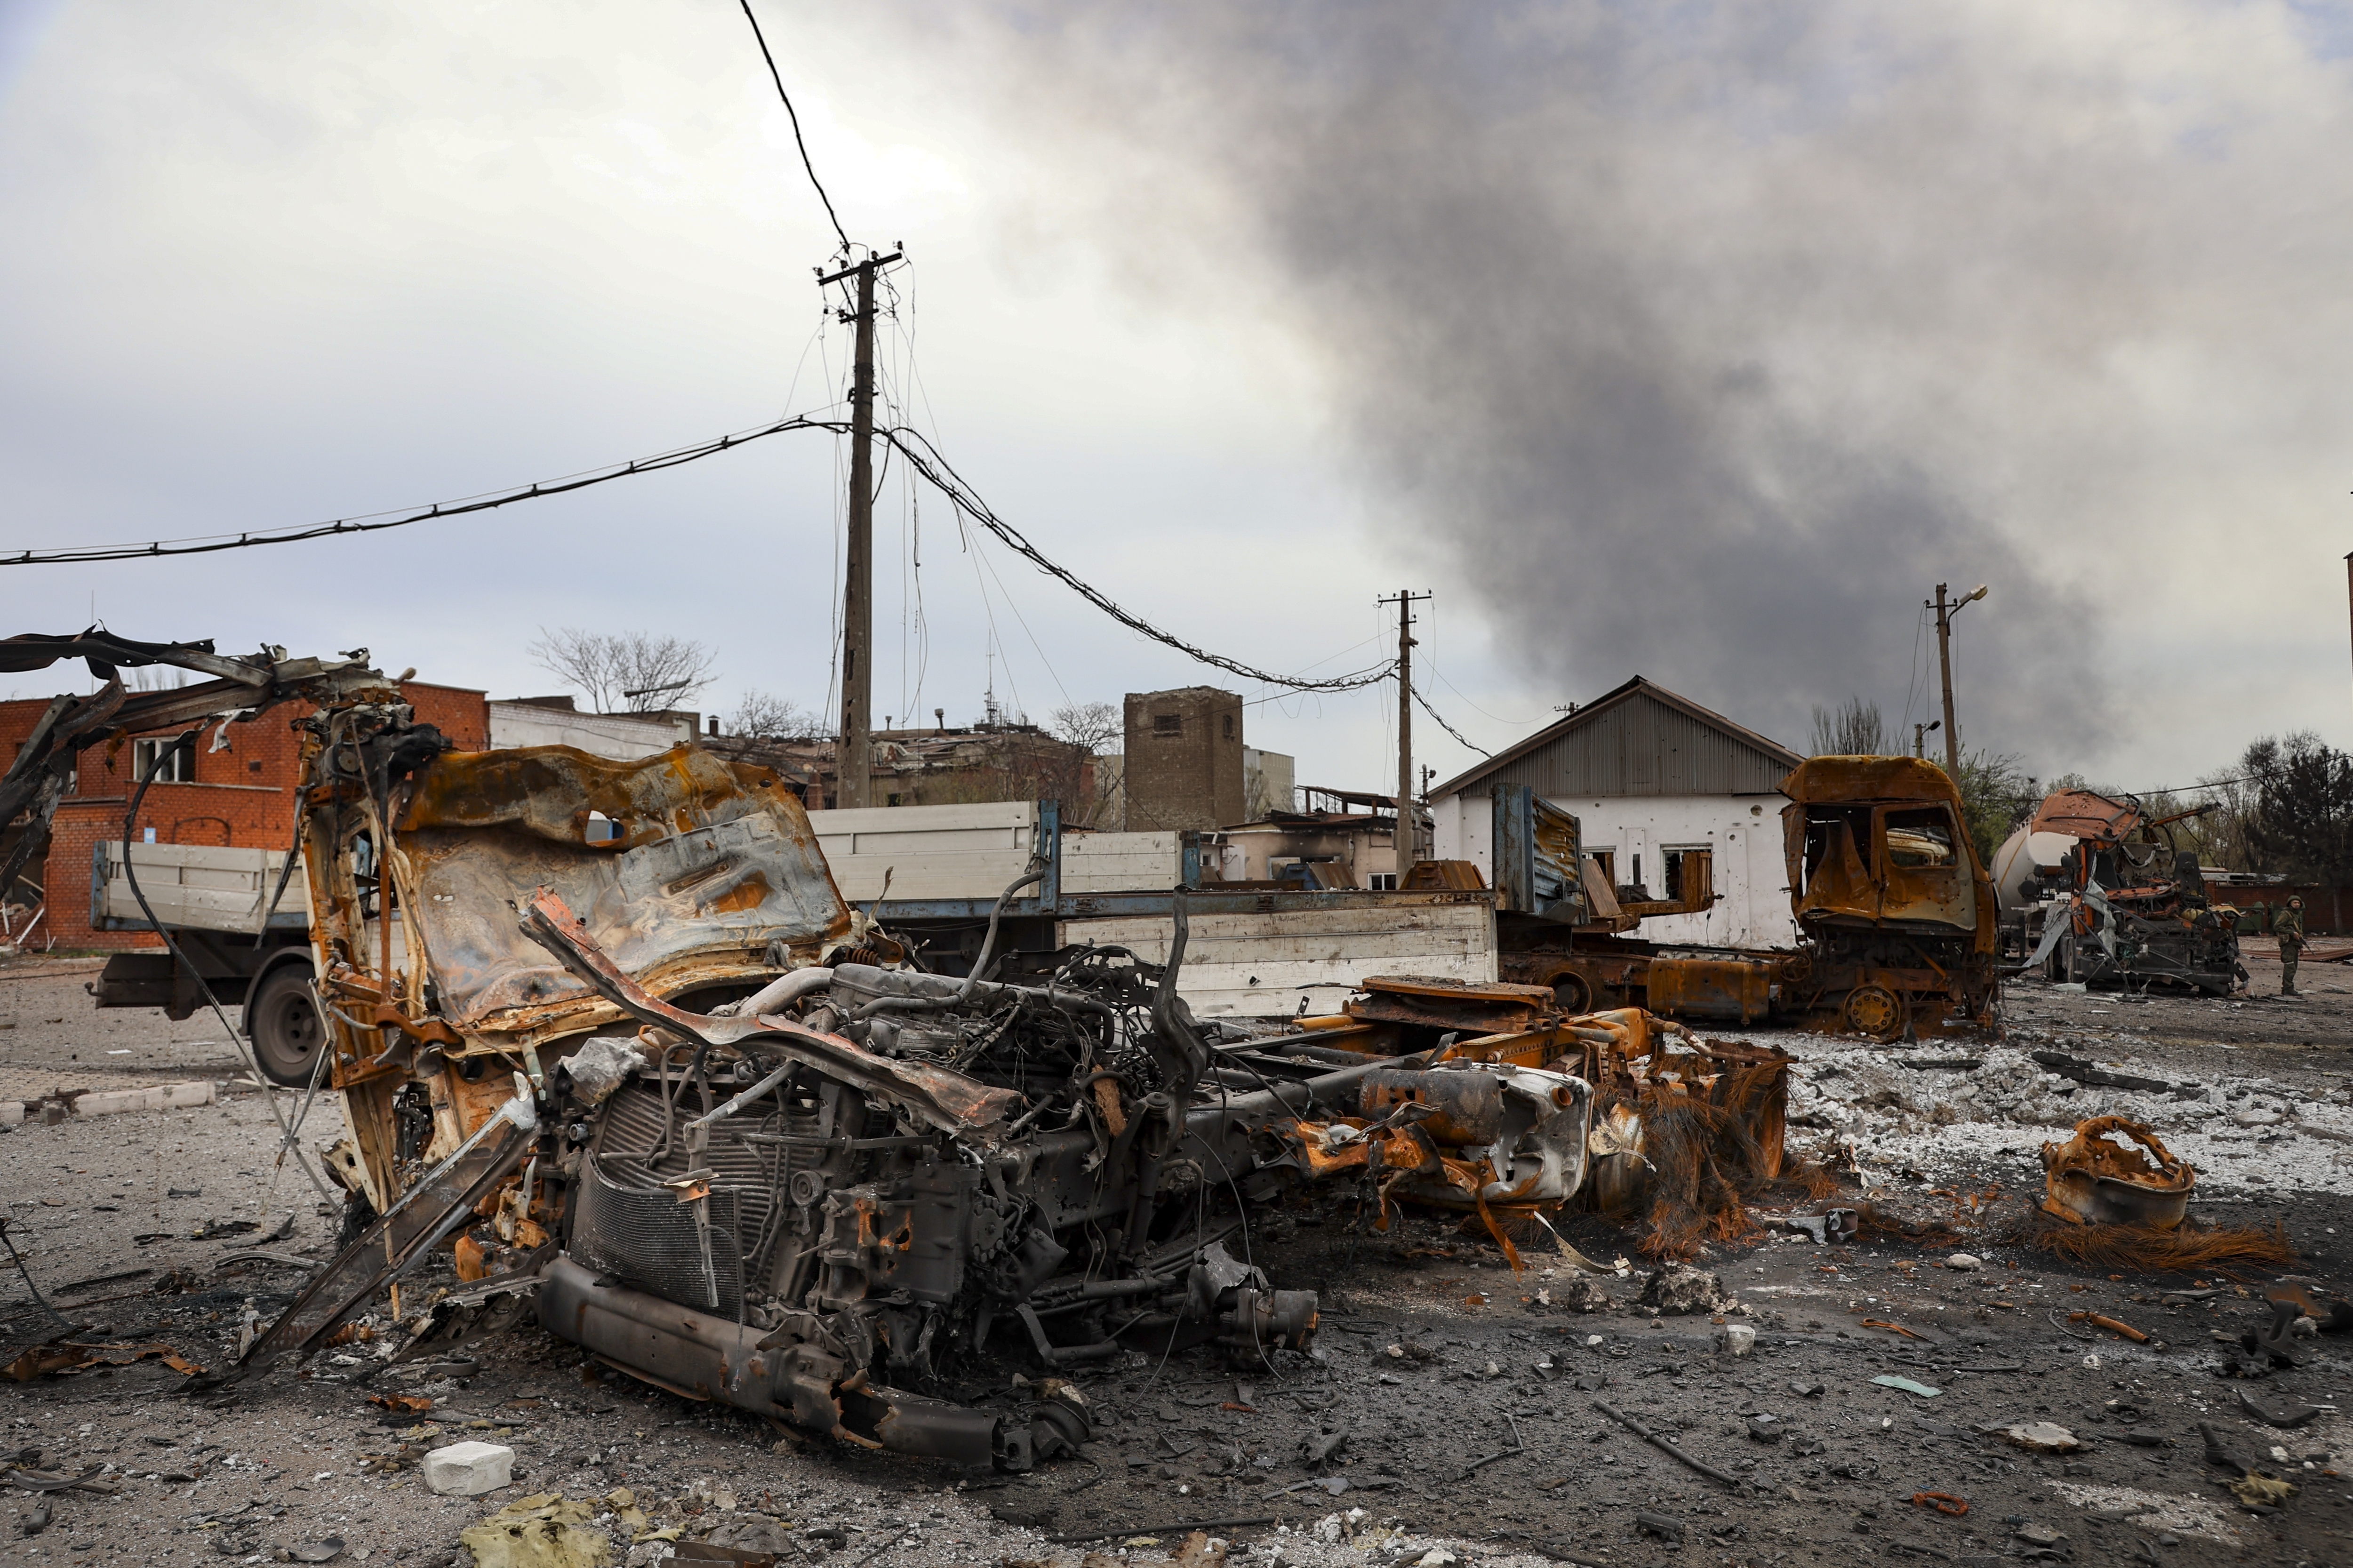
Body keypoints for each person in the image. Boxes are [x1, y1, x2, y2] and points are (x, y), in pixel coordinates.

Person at [2279, 895, 2306, 997]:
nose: (2297, 905)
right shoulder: (2286, 914)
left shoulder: (2297, 915)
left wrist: (2301, 946)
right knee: (2290, 966)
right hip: (2288, 943)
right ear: (2290, 904)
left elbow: (2299, 933)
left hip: (2294, 944)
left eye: (2298, 903)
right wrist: (2291, 933)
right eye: (2295, 903)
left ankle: (2289, 988)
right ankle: (2287, 989)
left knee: (2293, 967)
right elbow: (2277, 926)